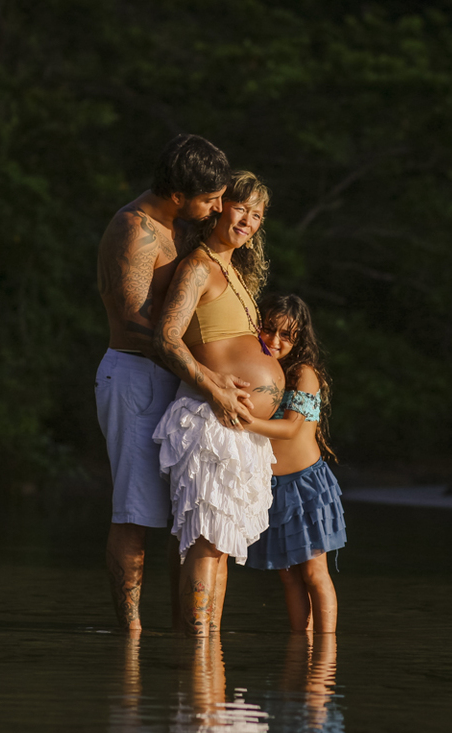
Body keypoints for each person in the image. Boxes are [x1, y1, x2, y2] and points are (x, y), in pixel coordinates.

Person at [95, 134, 255, 632]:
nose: (216, 209)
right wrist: (207, 375)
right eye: (210, 200)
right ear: (178, 194)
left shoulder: (182, 227)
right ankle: (132, 636)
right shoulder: (136, 230)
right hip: (137, 378)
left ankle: (179, 631)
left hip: (179, 382)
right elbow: (135, 323)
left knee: (187, 517)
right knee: (135, 512)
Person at [153, 170, 283, 636]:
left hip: (240, 428)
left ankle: (204, 654)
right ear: (219, 207)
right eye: (241, 208)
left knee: (218, 544)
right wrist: (214, 388)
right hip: (211, 419)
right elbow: (166, 338)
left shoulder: (237, 275)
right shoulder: (199, 267)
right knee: (206, 542)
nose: (248, 220)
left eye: (257, 215)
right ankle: (196, 654)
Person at [242, 294, 346, 633]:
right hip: (271, 489)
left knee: (314, 574)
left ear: (300, 338)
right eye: (269, 329)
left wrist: (243, 420)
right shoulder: (263, 371)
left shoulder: (304, 374)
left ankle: (325, 657)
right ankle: (301, 648)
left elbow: (290, 428)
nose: (274, 340)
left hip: (305, 486)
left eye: (286, 335)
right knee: (287, 578)